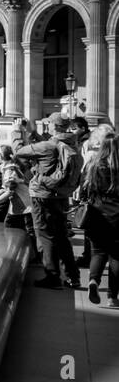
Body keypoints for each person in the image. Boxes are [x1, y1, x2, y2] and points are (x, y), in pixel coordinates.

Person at [15, 112, 84, 289]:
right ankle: (73, 276)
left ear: (54, 126)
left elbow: (18, 152)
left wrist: (17, 132)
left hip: (43, 195)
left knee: (45, 234)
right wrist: (32, 133)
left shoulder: (48, 146)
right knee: (61, 235)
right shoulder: (73, 144)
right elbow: (45, 147)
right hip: (61, 195)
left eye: (49, 124)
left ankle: (53, 277)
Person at [79, 126, 119, 305]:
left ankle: (93, 281)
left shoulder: (93, 166)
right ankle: (112, 296)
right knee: (116, 256)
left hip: (96, 215)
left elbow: (83, 191)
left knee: (98, 252)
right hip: (117, 217)